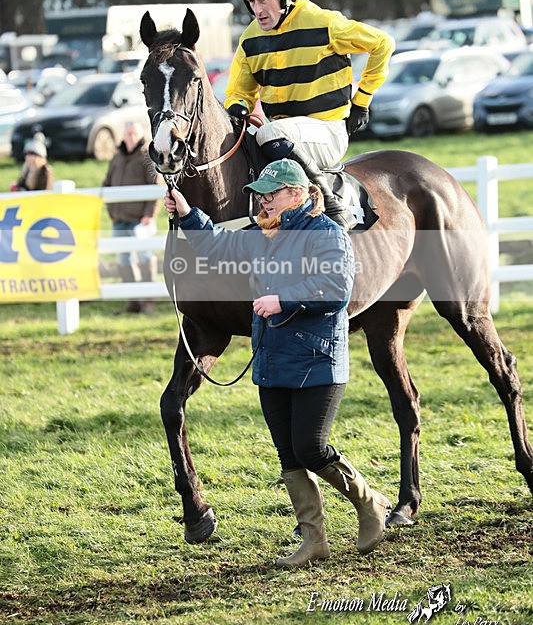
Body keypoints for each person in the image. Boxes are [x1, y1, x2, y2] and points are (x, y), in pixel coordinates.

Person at [164, 158, 391, 567]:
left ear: (300, 194)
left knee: (311, 447)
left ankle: (370, 502)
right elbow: (218, 243)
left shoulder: (326, 234)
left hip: (315, 360)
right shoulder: (262, 235)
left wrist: (282, 300)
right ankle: (313, 541)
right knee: (288, 453)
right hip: (271, 360)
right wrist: (187, 214)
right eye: (260, 195)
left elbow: (336, 287)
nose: (263, 202)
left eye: (271, 194)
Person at [225, 0, 395, 230]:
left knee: (269, 132)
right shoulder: (250, 39)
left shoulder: (324, 23)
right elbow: (238, 92)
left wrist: (362, 101)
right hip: (283, 138)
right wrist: (237, 105)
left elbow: (383, 43)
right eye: (252, 2)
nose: (258, 10)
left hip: (326, 132)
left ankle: (331, 204)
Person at [103, 121, 162, 313]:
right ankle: (133, 300)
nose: (131, 137)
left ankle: (147, 300)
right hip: (119, 219)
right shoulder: (117, 158)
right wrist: (112, 210)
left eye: (134, 133)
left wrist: (149, 215)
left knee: (145, 256)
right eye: (128, 133)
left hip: (139, 219)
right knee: (123, 259)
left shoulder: (147, 157)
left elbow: (155, 187)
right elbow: (107, 184)